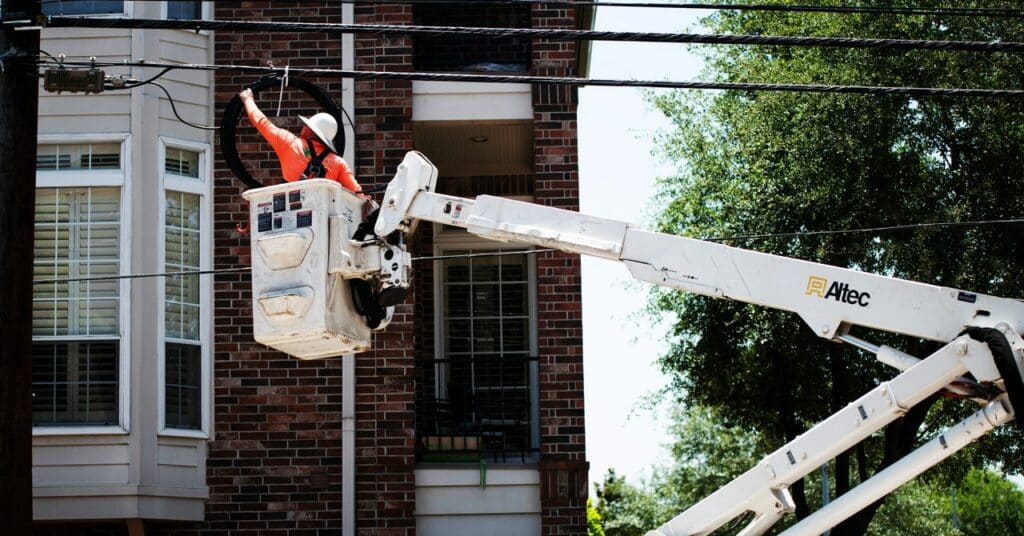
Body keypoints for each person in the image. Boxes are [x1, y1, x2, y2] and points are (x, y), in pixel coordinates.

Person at [239, 88, 361, 193]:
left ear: (311, 131)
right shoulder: (339, 163)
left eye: (307, 125)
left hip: (289, 216)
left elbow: (262, 123)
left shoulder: (290, 143)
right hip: (322, 219)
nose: (303, 127)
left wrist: (247, 99)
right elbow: (358, 193)